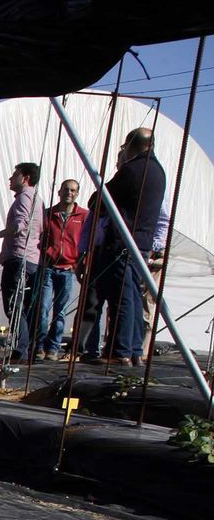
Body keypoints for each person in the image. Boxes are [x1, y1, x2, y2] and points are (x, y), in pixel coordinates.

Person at [83, 128, 165, 366]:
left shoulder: (133, 169)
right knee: (133, 296)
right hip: (142, 242)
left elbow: (99, 200)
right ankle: (135, 348)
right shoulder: (158, 171)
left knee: (122, 297)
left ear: (131, 145)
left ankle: (120, 350)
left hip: (123, 241)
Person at [0, 162, 43, 361]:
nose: (11, 179)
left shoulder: (24, 198)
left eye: (15, 175)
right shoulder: (37, 199)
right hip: (32, 259)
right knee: (25, 306)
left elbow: (19, 225)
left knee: (14, 305)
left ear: (25, 177)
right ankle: (29, 348)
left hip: (18, 257)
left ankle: (20, 350)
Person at [35, 178, 85, 362]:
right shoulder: (49, 214)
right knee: (43, 308)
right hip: (49, 267)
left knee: (61, 311)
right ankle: (39, 345)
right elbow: (39, 238)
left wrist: (79, 263)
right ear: (59, 192)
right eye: (66, 190)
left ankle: (53, 348)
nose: (69, 193)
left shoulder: (83, 216)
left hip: (68, 269)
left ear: (77, 194)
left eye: (72, 190)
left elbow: (87, 242)